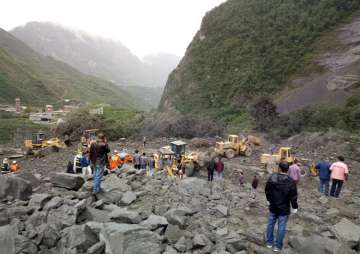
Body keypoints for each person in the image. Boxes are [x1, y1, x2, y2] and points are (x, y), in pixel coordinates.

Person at [265, 161, 298, 252]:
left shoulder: (272, 177)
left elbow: (267, 190)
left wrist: (268, 200)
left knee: (270, 224)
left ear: (279, 168)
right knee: (281, 227)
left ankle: (269, 243)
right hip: (284, 208)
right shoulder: (291, 181)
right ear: (287, 170)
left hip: (273, 206)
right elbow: (293, 196)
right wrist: (294, 207)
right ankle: (277, 246)